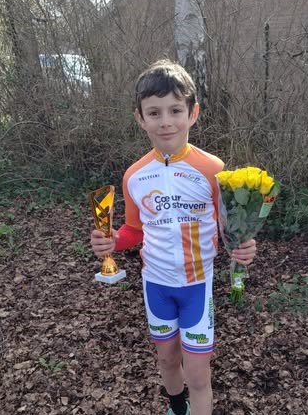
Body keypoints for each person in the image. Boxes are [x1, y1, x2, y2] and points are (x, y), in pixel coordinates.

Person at [90, 59, 256, 415]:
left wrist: (243, 246)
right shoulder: (134, 175)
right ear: (140, 118)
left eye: (175, 110)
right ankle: (178, 409)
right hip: (156, 285)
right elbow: (134, 230)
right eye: (154, 112)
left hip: (197, 286)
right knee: (167, 362)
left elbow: (230, 229)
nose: (165, 121)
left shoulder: (214, 170)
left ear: (193, 113)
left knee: (197, 374)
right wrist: (113, 241)